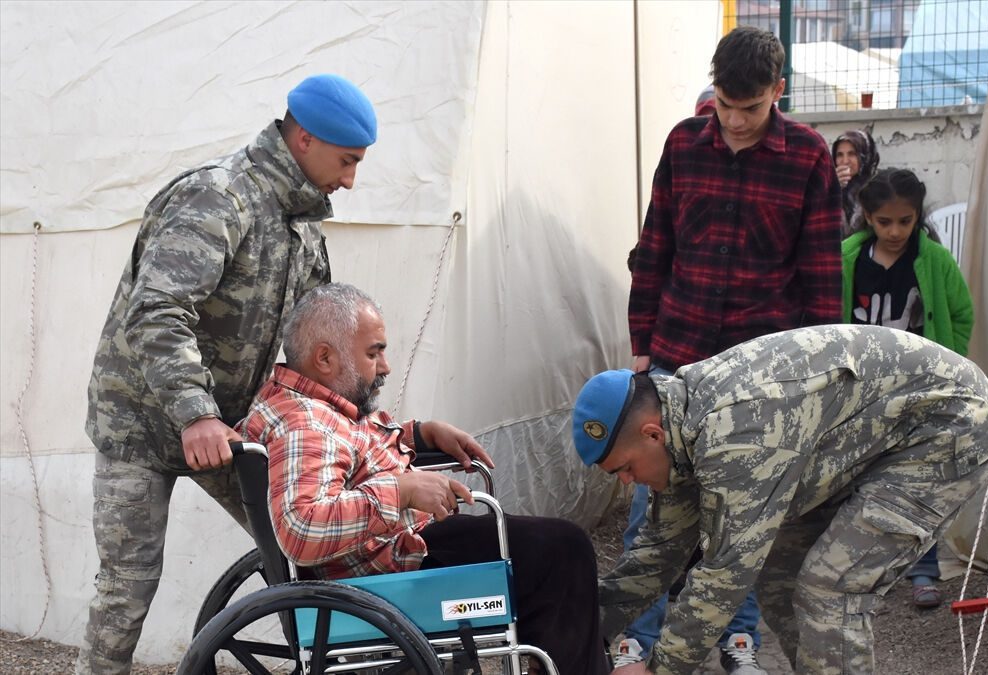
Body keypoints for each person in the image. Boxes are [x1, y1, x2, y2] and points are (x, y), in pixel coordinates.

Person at [78, 74, 377, 674]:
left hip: (230, 429)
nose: (350, 179)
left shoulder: (302, 226)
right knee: (126, 589)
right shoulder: (217, 198)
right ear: (304, 139)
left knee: (309, 540)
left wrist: (364, 427)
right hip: (143, 425)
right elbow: (158, 312)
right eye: (346, 161)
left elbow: (317, 351)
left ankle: (338, 661)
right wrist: (195, 413)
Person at [571, 324, 988, 674]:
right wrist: (577, 638)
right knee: (781, 574)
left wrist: (657, 670)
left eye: (625, 468)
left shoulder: (732, 435)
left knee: (830, 584)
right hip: (879, 432)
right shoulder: (682, 425)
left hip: (949, 424)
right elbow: (658, 554)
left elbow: (725, 573)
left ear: (652, 434)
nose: (629, 481)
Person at [238, 283, 610, 674]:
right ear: (325, 358)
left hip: (394, 550)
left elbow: (348, 449)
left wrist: (418, 434)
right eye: (373, 353)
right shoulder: (305, 426)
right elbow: (302, 528)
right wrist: (401, 490)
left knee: (547, 551)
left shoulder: (301, 400)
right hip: (394, 571)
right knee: (563, 551)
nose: (385, 366)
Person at [622, 26, 843, 673]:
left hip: (762, 368)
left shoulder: (808, 156)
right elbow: (653, 248)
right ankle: (637, 635)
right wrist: (642, 347)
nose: (737, 121)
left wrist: (819, 376)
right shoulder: (683, 145)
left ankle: (737, 638)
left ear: (779, 91)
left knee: (745, 514)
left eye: (750, 108)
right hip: (676, 354)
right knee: (651, 504)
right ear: (713, 92)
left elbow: (822, 274)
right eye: (725, 105)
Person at [842, 167, 974, 608]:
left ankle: (923, 570)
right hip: (862, 394)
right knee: (860, 483)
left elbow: (961, 313)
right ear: (867, 215)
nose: (896, 231)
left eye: (906, 220)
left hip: (919, 392)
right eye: (885, 222)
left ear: (918, 216)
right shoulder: (846, 259)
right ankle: (865, 575)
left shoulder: (934, 259)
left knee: (919, 481)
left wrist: (948, 368)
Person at [831, 129, 880, 237]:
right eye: (839, 155)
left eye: (852, 154)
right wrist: (833, 190)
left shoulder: (878, 187)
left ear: (865, 155)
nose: (845, 161)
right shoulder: (828, 185)